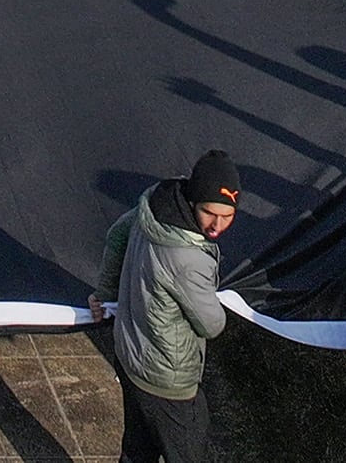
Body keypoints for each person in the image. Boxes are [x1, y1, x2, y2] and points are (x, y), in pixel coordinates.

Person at [93, 156, 235, 463]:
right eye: (210, 213)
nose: (217, 226)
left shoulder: (154, 204)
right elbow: (212, 325)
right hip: (168, 383)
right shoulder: (188, 260)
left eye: (227, 216)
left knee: (137, 449)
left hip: (129, 357)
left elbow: (117, 234)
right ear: (193, 201)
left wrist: (105, 294)